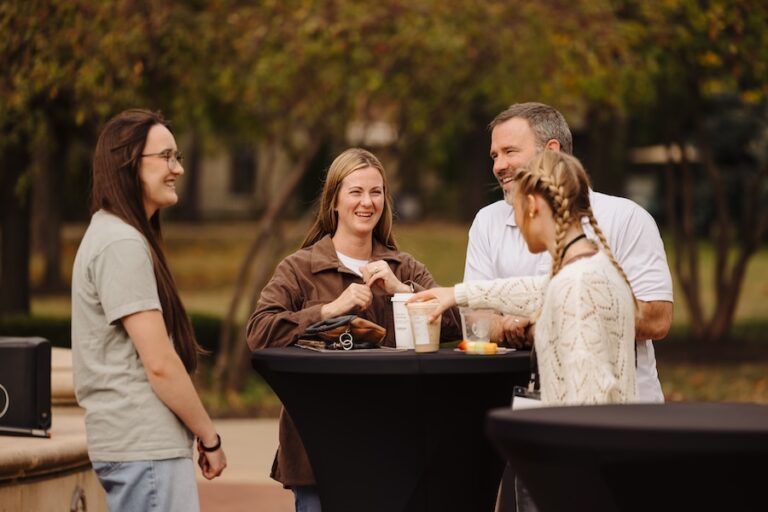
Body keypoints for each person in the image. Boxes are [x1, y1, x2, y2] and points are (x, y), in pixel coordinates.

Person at [412, 150, 639, 511]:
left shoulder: (576, 285)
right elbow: (537, 289)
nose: (514, 222)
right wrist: (455, 294)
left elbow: (584, 404)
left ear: (533, 204)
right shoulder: (594, 267)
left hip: (577, 481)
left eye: (515, 209)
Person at [246, 147, 461, 512]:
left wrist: (402, 292)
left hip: (392, 444)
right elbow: (258, 332)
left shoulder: (404, 267)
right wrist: (328, 310)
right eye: (355, 192)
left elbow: (456, 325)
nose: (367, 202)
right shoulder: (299, 269)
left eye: (375, 192)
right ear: (334, 201)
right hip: (318, 449)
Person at [465, 102, 673, 403]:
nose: (498, 166)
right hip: (521, 402)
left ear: (552, 151)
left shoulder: (626, 218)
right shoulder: (487, 221)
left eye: (510, 152)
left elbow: (657, 319)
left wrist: (545, 321)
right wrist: (510, 326)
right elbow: (475, 317)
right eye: (495, 156)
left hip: (623, 409)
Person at [71, 109, 226, 512]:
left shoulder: (115, 235)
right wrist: (209, 436)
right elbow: (159, 362)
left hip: (139, 445)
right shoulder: (121, 243)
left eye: (178, 157)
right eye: (167, 157)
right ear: (128, 164)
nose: (178, 169)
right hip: (145, 446)